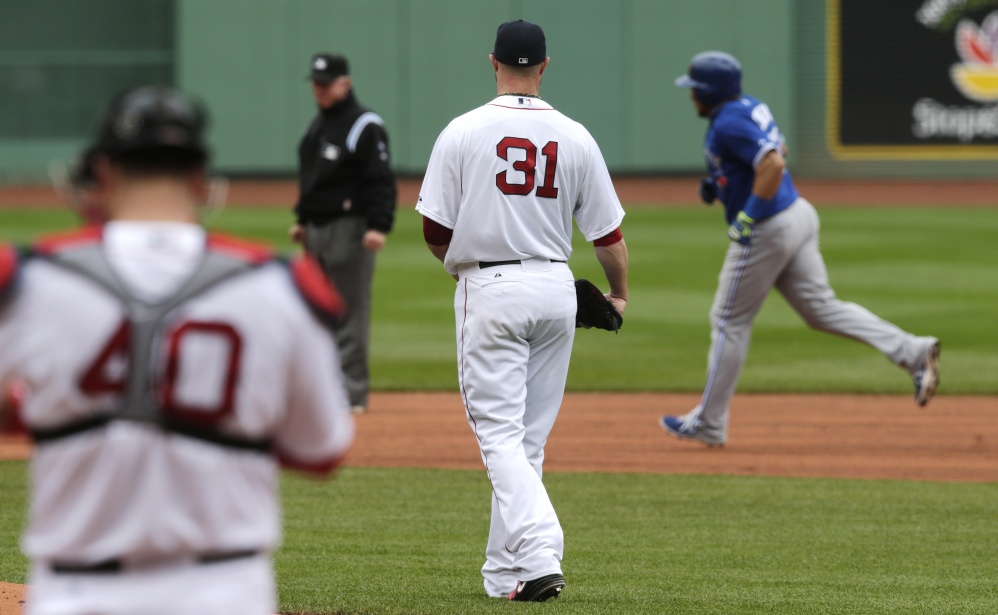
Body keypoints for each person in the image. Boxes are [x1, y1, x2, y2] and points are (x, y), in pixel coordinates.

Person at [0, 86, 355, 615]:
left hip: (75, 594)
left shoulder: (30, 282)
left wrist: (42, 410)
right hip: (224, 593)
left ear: (101, 173)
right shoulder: (282, 288)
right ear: (199, 178)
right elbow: (321, 450)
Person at [416, 20, 629, 602]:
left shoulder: (463, 130)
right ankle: (505, 574)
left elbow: (435, 229)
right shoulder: (576, 135)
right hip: (557, 288)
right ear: (544, 65)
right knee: (527, 443)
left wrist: (462, 266)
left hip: (492, 287)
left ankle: (541, 550)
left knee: (500, 440)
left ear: (493, 63)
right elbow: (608, 237)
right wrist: (619, 296)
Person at [660, 51, 941, 447]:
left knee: (728, 321)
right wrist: (721, 184)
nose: (691, 98)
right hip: (798, 214)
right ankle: (912, 351)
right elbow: (779, 150)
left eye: (695, 90)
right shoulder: (749, 105)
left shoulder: (727, 122)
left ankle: (708, 421)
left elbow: (772, 164)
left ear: (710, 92)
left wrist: (748, 214)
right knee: (821, 308)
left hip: (769, 226)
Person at [290, 52, 397, 414]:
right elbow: (312, 180)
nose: (319, 89)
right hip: (316, 230)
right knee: (315, 312)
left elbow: (380, 179)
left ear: (345, 83)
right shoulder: (317, 125)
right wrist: (302, 219)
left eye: (326, 83)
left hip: (349, 230)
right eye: (316, 83)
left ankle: (351, 394)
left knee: (348, 311)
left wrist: (379, 225)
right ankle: (321, 391)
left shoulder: (364, 125)